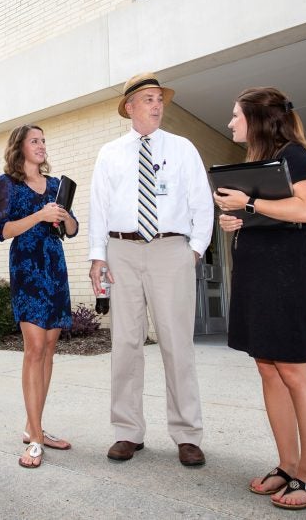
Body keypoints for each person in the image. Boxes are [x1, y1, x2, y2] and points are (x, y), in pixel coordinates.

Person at [88, 72, 214, 468]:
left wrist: (193, 249)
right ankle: (127, 431)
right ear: (129, 107)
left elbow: (201, 203)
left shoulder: (183, 148)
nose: (157, 105)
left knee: (177, 343)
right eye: (147, 99)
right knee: (125, 342)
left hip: (170, 249)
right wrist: (98, 256)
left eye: (159, 98)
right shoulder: (110, 152)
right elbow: (99, 207)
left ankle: (187, 434)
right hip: (121, 250)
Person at [215, 87, 306, 510]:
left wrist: (251, 203)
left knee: (295, 371)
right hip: (255, 274)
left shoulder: (294, 154)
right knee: (268, 370)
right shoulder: (261, 163)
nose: (230, 124)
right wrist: (240, 219)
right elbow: (266, 214)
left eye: (235, 116)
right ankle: (287, 465)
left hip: (284, 276)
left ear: (257, 118)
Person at [0, 124, 78, 468]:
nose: (42, 146)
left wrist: (64, 218)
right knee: (34, 348)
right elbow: (1, 230)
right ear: (20, 147)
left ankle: (34, 427)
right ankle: (36, 439)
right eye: (35, 141)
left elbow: (71, 230)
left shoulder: (56, 185)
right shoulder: (7, 184)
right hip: (27, 268)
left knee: (50, 351)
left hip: (55, 268)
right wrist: (39, 215)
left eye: (44, 141)